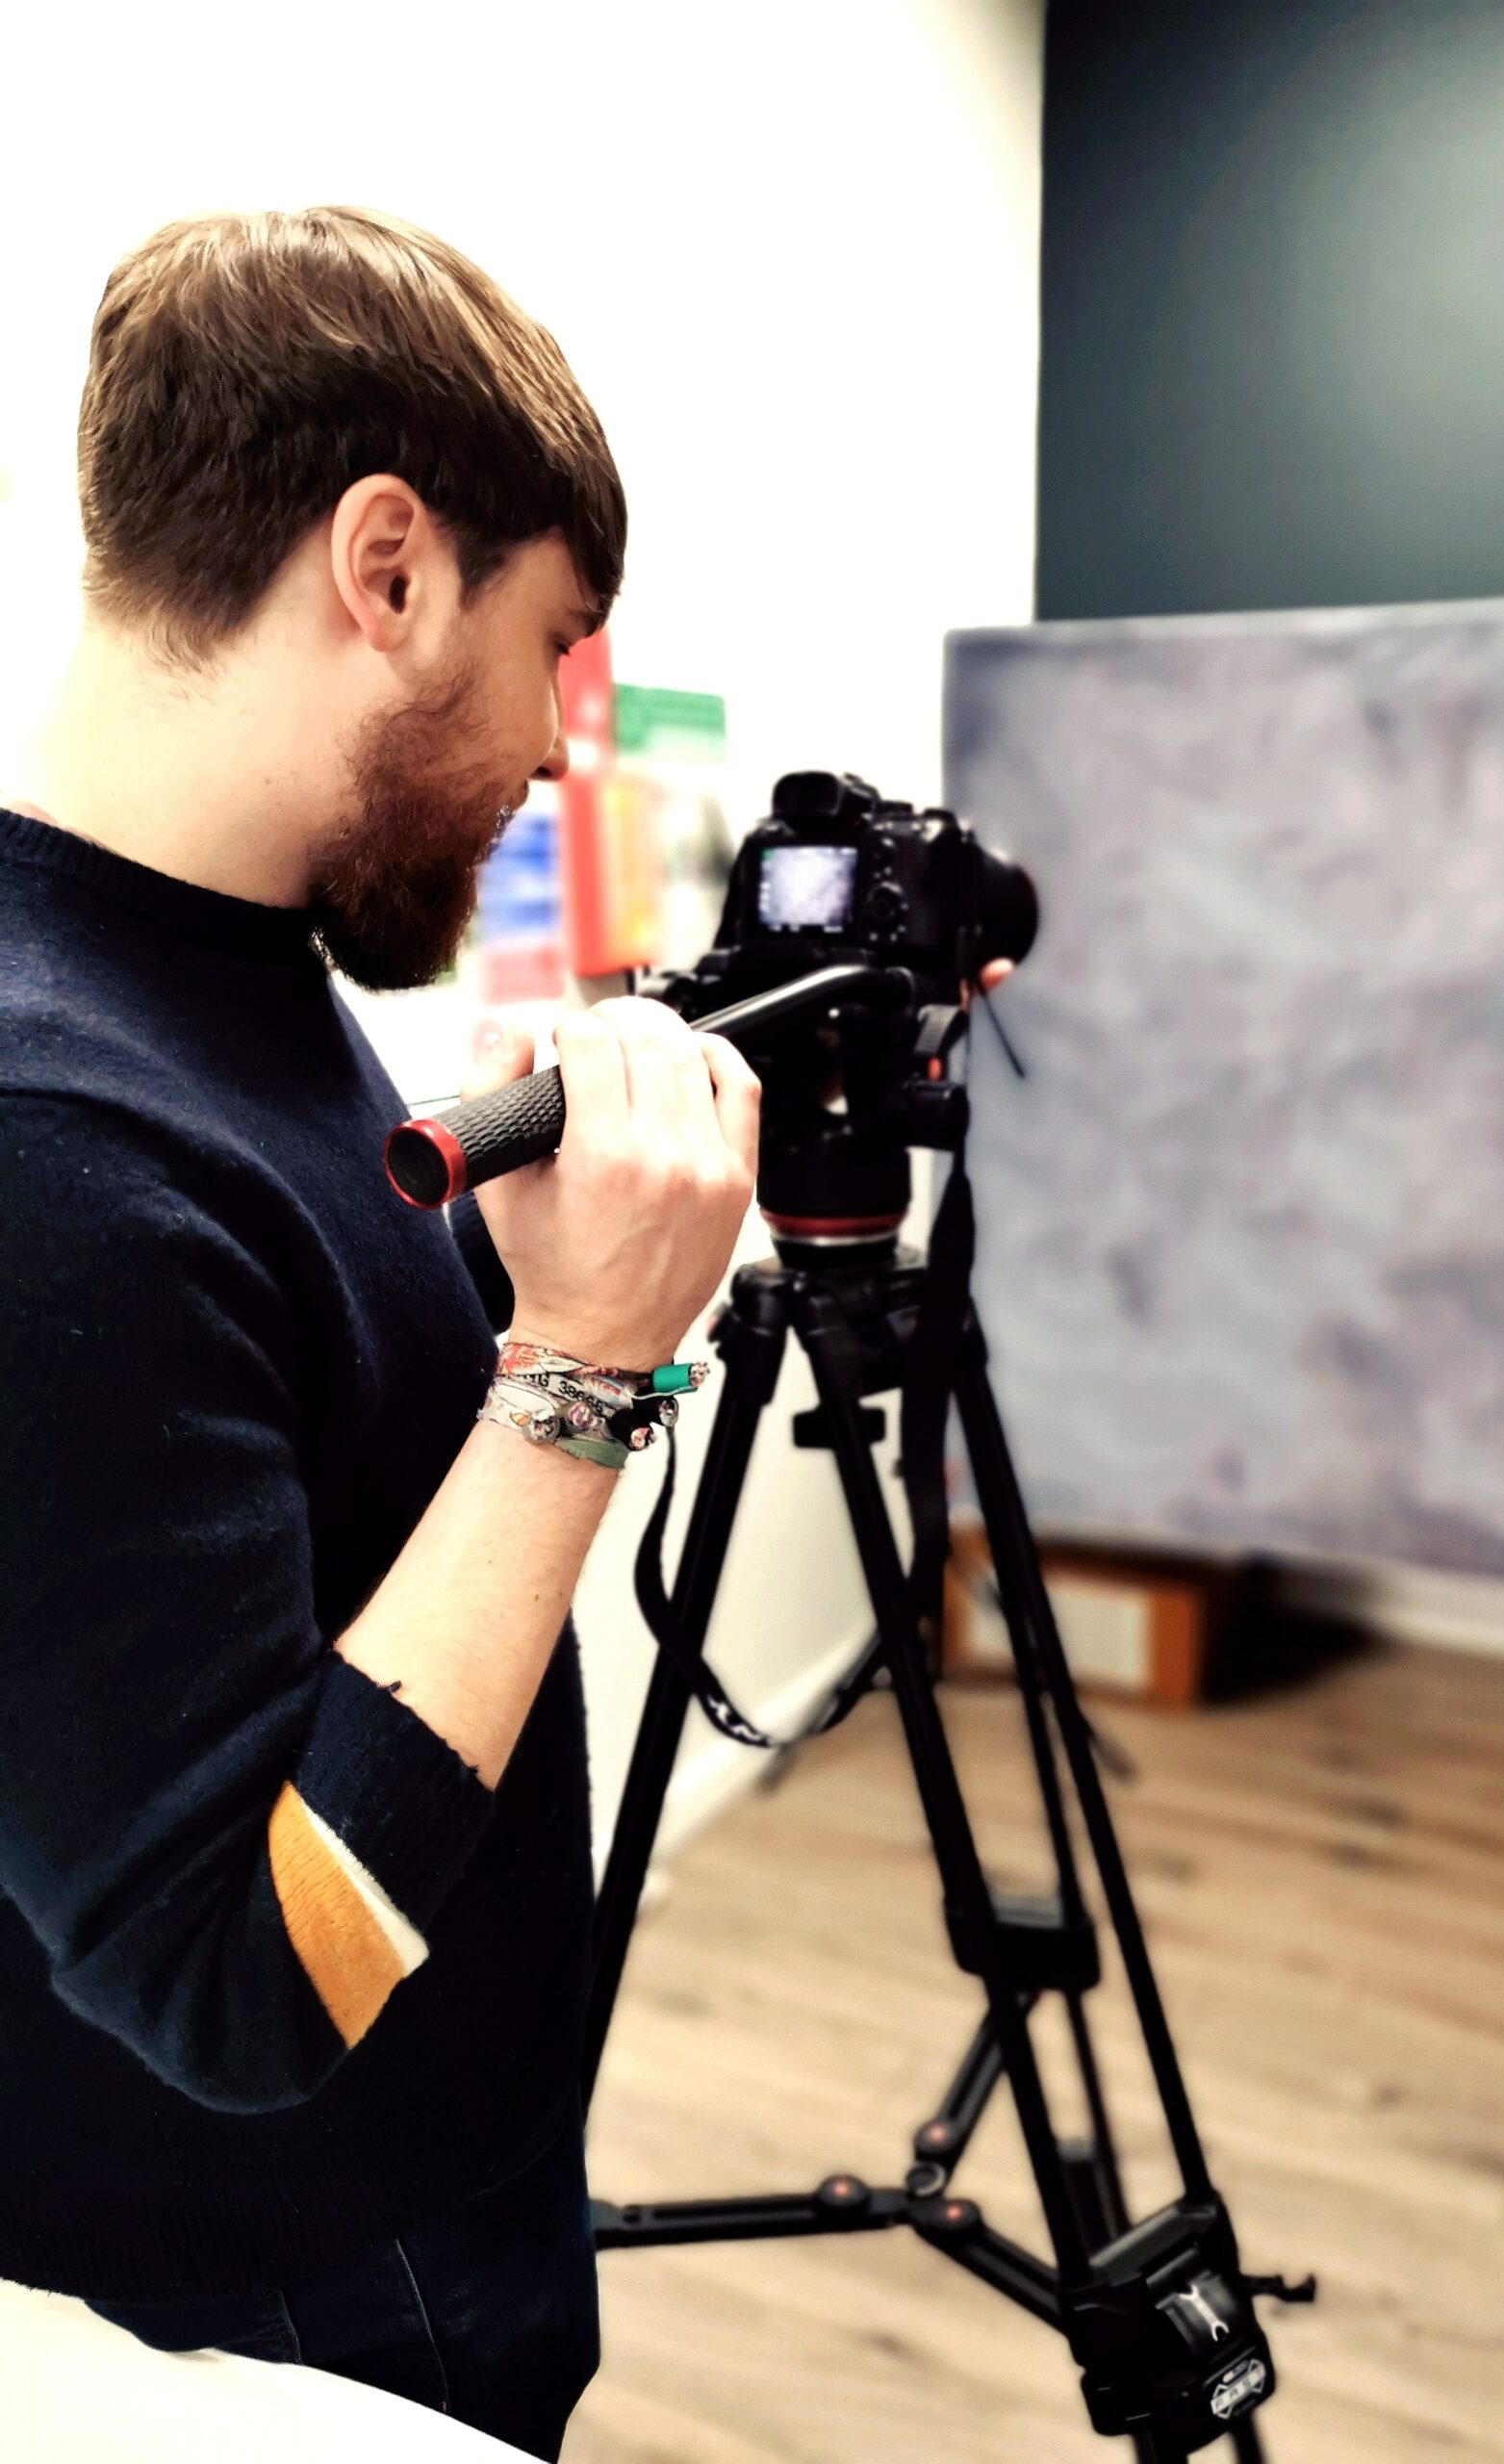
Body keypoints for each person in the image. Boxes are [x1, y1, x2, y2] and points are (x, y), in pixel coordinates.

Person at [0, 206, 764, 2461]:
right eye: (559, 649)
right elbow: (239, 1969)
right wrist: (583, 1366)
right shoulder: (49, 1133)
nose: (555, 742)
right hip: (300, 2285)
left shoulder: (219, 973)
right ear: (392, 568)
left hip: (440, 2170)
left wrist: (539, 1277)